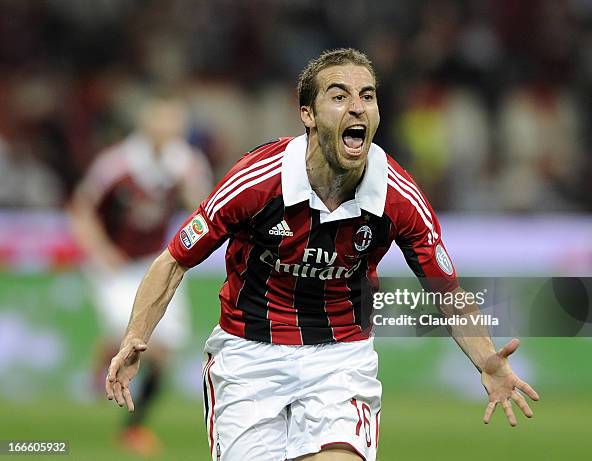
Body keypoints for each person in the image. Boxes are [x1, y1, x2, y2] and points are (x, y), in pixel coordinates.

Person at [105, 49, 539, 461]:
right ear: (307, 115)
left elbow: (447, 293)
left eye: (367, 96)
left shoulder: (398, 197)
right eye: (339, 96)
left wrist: (486, 359)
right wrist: (134, 337)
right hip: (248, 357)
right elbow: (173, 261)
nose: (357, 107)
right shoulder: (258, 181)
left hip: (340, 359)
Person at [70, 93, 212, 456]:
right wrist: (101, 251)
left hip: (157, 263)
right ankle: (106, 357)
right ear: (146, 123)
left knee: (165, 351)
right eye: (162, 121)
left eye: (175, 122)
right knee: (132, 335)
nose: (168, 129)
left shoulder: (185, 163)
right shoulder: (116, 164)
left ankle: (133, 428)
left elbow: (204, 207)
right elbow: (82, 209)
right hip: (116, 264)